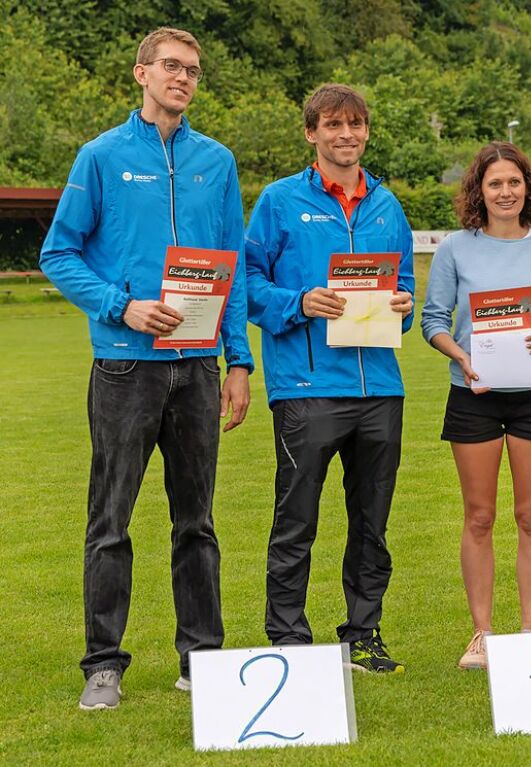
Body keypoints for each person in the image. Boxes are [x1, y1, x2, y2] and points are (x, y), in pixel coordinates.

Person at [39, 27, 253, 710]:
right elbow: (59, 252)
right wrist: (121, 306)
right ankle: (104, 663)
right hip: (125, 367)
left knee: (198, 521)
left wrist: (239, 361)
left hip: (196, 368)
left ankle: (203, 658)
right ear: (141, 74)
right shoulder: (101, 156)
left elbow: (235, 262)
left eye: (192, 70)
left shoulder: (216, 162)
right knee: (111, 520)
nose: (182, 78)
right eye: (170, 66)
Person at [245, 84, 414, 673]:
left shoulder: (387, 205)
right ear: (311, 133)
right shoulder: (278, 201)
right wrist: (299, 301)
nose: (347, 134)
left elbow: (407, 289)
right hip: (306, 387)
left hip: (379, 391)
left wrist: (402, 304)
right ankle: (288, 638)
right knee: (296, 521)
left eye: (357, 124)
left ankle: (362, 636)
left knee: (372, 525)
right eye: (334, 125)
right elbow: (247, 285)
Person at [421, 142, 531, 670]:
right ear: (479, 191)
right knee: (479, 517)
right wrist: (462, 357)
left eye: (514, 182)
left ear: (528, 187)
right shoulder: (454, 249)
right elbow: (433, 321)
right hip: (474, 396)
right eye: (495, 183)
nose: (506, 191)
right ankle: (482, 635)